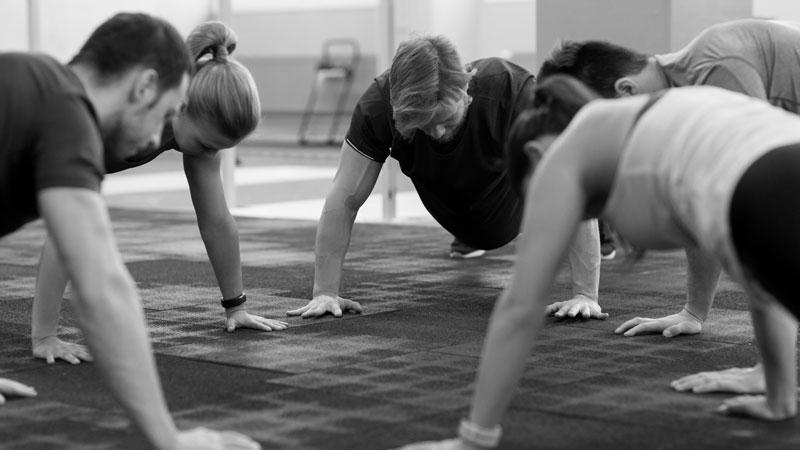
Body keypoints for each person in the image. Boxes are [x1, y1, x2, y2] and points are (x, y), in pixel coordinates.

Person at [394, 75, 800, 449]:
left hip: (770, 188)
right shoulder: (668, 124)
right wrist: (776, 392)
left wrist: (474, 440)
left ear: (536, 153)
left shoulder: (564, 150)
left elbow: (520, 308)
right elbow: (759, 280)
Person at [0, 13, 260, 450]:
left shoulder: (43, 95)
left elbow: (214, 222)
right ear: (143, 87)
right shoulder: (65, 117)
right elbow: (101, 285)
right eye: (167, 111)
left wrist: (235, 304)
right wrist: (169, 440)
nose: (154, 140)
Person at [536, 18, 800, 392]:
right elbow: (708, 204)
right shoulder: (694, 91)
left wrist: (770, 378)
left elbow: (763, 203)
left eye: (605, 120)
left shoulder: (716, 66)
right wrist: (694, 312)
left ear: (625, 90)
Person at [287, 35, 606, 321]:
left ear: (466, 89)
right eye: (425, 125)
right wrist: (325, 292)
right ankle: (469, 235)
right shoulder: (378, 106)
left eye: (445, 120)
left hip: (513, 201)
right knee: (472, 226)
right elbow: (345, 198)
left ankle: (605, 226)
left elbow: (570, 187)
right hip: (456, 207)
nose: (437, 132)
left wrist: (585, 295)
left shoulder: (513, 92)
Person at [29, 20, 288, 367]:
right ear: (182, 106)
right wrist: (44, 336)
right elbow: (67, 228)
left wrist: (236, 306)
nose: (211, 153)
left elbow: (216, 220)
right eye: (209, 143)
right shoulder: (100, 117)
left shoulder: (194, 133)